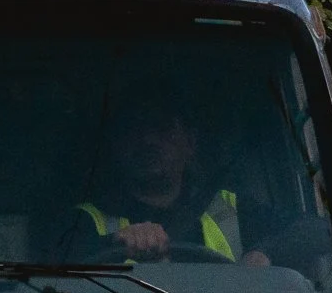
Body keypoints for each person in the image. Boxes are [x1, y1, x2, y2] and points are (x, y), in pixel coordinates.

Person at [64, 92, 267, 267]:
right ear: (117, 146)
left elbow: (296, 233)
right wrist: (113, 243)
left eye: (161, 127)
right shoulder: (83, 223)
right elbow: (51, 274)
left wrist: (263, 253)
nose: (147, 140)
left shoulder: (231, 208)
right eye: (134, 130)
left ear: (190, 142)